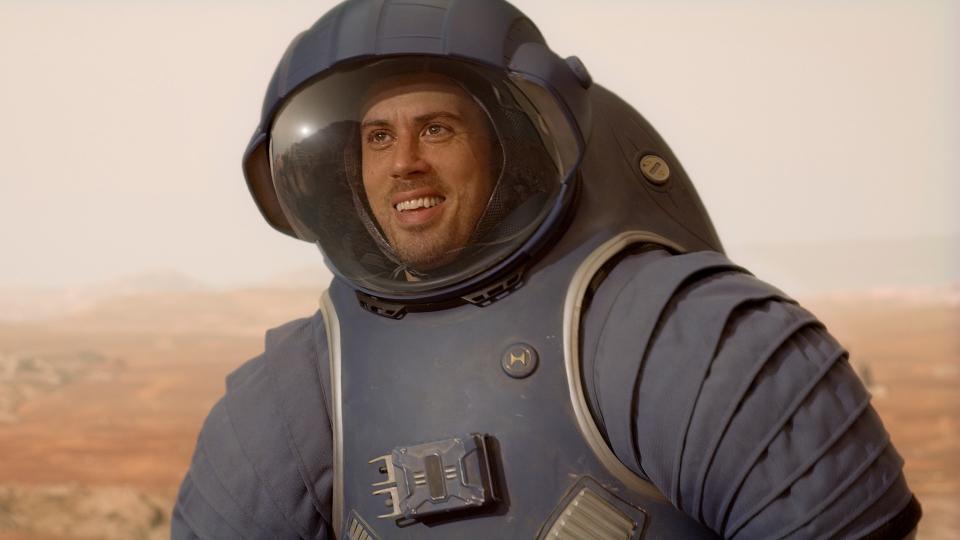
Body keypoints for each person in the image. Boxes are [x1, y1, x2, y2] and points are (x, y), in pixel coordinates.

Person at [172, 1, 921, 538]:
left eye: (437, 128)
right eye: (375, 138)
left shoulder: (692, 343)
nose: (404, 164)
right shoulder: (289, 399)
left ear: (507, 145)